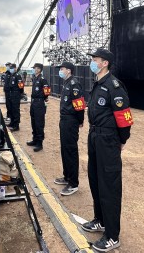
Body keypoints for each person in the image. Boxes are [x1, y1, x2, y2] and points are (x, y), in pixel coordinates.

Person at [81, 48, 133, 252]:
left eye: (96, 59)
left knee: (109, 186)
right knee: (95, 180)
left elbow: (124, 117)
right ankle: (100, 220)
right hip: (95, 136)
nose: (92, 62)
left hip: (108, 140)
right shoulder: (98, 84)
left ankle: (112, 236)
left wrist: (122, 140)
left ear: (105, 63)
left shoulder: (114, 86)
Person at [54, 61, 85, 196]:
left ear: (69, 70)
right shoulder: (66, 83)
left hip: (71, 121)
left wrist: (80, 121)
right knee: (64, 148)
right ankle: (67, 176)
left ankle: (73, 183)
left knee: (70, 150)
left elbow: (80, 105)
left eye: (62, 69)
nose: (60, 71)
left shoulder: (74, 84)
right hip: (64, 120)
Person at [26, 63, 50, 152]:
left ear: (39, 69)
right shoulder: (35, 78)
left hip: (39, 103)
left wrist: (43, 98)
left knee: (39, 123)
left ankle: (39, 143)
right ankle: (35, 139)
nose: (34, 69)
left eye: (35, 68)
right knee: (33, 122)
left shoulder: (42, 79)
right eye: (34, 68)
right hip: (33, 102)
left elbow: (47, 91)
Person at [5, 63, 24, 131]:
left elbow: (21, 86)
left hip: (16, 95)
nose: (11, 69)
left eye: (12, 68)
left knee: (15, 110)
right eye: (10, 68)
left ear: (15, 68)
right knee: (11, 110)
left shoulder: (17, 76)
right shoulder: (11, 76)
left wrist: (20, 94)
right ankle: (12, 123)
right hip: (11, 95)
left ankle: (16, 125)